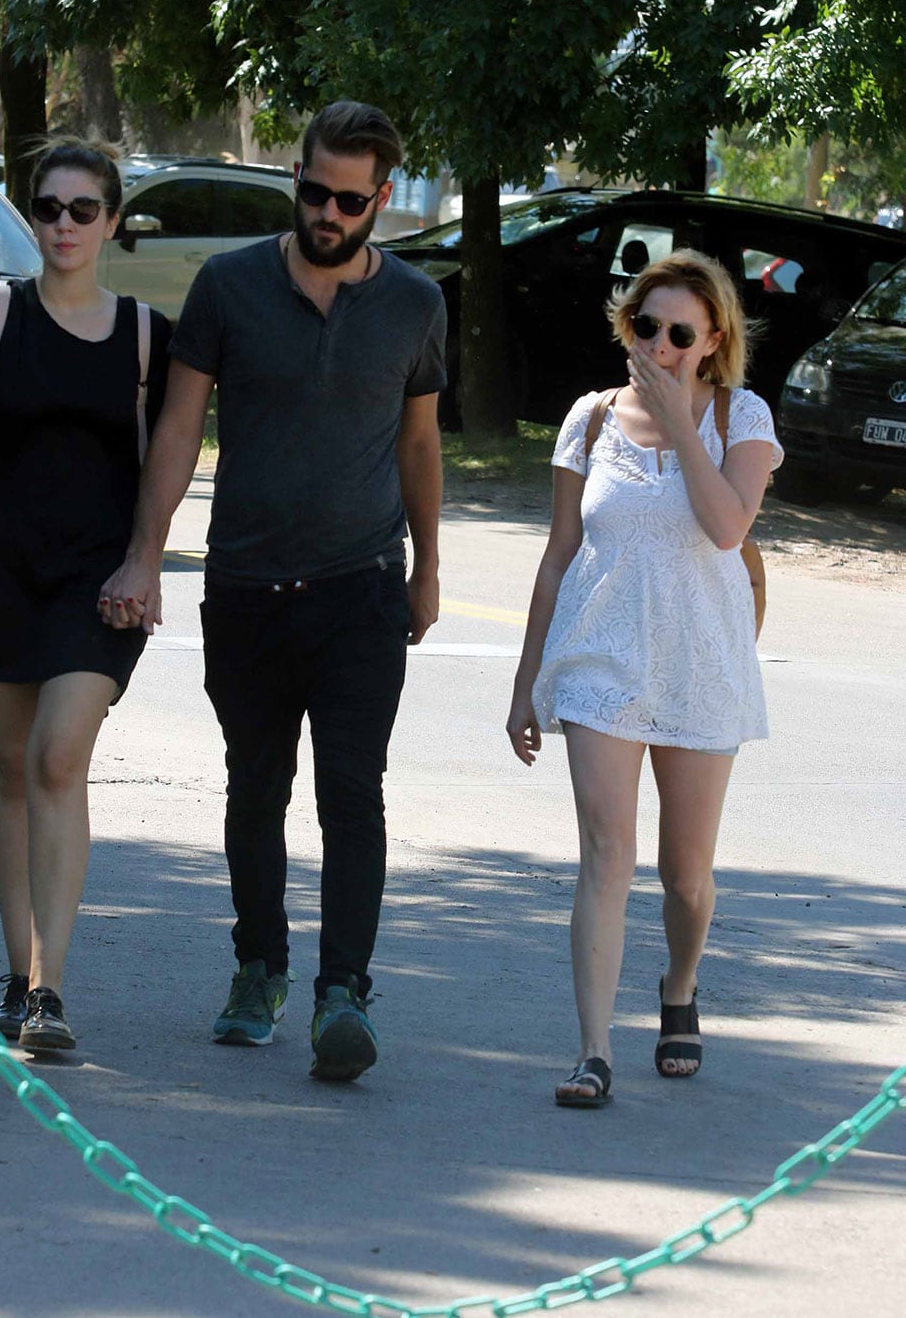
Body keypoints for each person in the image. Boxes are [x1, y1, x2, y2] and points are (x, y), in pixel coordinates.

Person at [101, 100, 446, 1081]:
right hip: (247, 585)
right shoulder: (229, 286)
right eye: (312, 190)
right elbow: (177, 429)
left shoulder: (415, 303)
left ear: (383, 199)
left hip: (363, 588)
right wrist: (143, 553)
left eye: (348, 199)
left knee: (352, 789)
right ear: (294, 178)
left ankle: (346, 992)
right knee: (257, 787)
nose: (326, 213)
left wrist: (428, 568)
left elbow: (419, 445)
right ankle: (261, 967)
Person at [506, 250, 782, 1108]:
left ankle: (679, 986)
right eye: (645, 326)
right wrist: (526, 684)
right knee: (606, 856)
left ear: (713, 342)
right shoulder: (588, 421)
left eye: (679, 333)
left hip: (701, 663)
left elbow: (729, 527)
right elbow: (558, 558)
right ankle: (594, 1052)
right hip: (601, 660)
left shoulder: (743, 417)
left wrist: (680, 419)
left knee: (685, 874)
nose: (658, 345)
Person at [0, 140, 170, 1052]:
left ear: (111, 220)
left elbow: (165, 469)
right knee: (13, 770)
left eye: (83, 208)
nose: (64, 224)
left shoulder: (147, 336)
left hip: (95, 586)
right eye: (49, 207)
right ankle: (19, 976)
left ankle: (50, 989)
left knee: (59, 758)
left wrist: (146, 563)